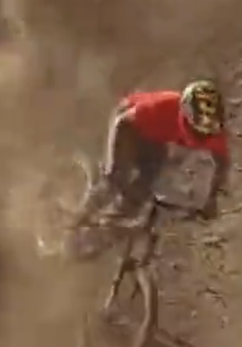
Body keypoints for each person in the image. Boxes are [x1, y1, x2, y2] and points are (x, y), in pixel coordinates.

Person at [75, 79, 230, 232]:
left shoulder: (214, 132)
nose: (201, 138)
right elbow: (123, 123)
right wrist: (119, 170)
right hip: (130, 125)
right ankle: (80, 217)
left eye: (206, 133)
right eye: (196, 130)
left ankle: (117, 217)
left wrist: (212, 198)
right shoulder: (161, 108)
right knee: (117, 179)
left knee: (148, 182)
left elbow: (222, 164)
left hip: (156, 135)